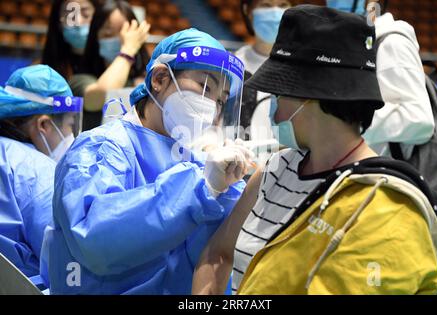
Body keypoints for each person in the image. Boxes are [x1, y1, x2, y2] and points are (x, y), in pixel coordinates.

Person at [192, 5, 437, 295]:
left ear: (314, 100)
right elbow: (219, 254)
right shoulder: (277, 167)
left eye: (279, 94)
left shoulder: (385, 206)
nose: (274, 113)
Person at [40, 28, 254, 295]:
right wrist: (202, 189)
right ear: (160, 78)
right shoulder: (102, 148)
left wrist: (232, 188)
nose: (212, 107)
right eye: (204, 88)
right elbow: (94, 239)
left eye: (220, 100)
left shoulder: (199, 163)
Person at [0, 65, 83, 281]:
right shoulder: (36, 170)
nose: (70, 136)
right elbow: (63, 265)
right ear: (44, 125)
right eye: (70, 125)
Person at [327, 0, 434, 160]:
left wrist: (349, 118)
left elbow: (420, 121)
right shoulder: (356, 42)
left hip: (389, 174)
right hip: (357, 168)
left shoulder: (392, 43)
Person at [70, 0, 150, 131]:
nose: (121, 40)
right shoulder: (80, 81)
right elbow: (102, 97)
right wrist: (128, 50)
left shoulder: (146, 83)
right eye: (108, 34)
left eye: (125, 34)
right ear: (95, 38)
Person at [237, 0, 293, 151]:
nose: (275, 12)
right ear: (247, 10)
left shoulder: (304, 67)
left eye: (282, 5)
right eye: (266, 5)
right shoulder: (233, 66)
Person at [42, 0, 97, 79]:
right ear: (58, 22)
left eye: (86, 14)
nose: (78, 22)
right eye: (70, 16)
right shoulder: (44, 71)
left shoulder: (113, 65)